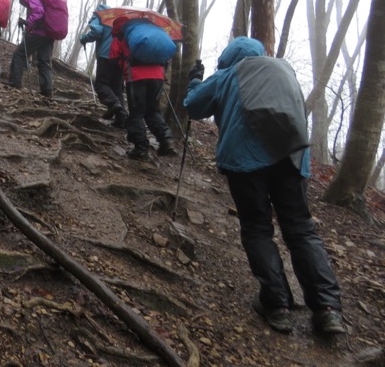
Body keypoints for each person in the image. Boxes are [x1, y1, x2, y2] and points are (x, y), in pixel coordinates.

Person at [183, 36, 344, 335]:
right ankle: (328, 309)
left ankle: (277, 304)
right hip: (291, 157)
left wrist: (194, 82)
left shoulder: (227, 74)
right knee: (301, 229)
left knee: (257, 227)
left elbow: (193, 107)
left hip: (246, 160)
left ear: (228, 57)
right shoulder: (284, 70)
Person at [112, 24, 176, 159]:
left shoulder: (125, 34)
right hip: (158, 76)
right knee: (153, 110)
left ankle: (141, 148)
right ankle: (166, 140)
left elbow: (116, 56)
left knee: (136, 113)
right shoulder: (155, 32)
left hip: (136, 76)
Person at [80, 4, 129, 127]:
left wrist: (84, 38)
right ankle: (121, 119)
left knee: (101, 84)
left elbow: (96, 31)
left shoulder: (101, 16)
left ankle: (114, 104)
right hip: (120, 58)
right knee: (117, 89)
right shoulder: (117, 19)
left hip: (106, 56)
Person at [8, 0, 56, 98]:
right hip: (48, 35)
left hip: (39, 33)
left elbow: (39, 11)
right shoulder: (40, 0)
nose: (24, 4)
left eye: (22, 1)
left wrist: (27, 22)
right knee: (44, 62)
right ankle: (47, 91)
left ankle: (14, 83)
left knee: (18, 54)